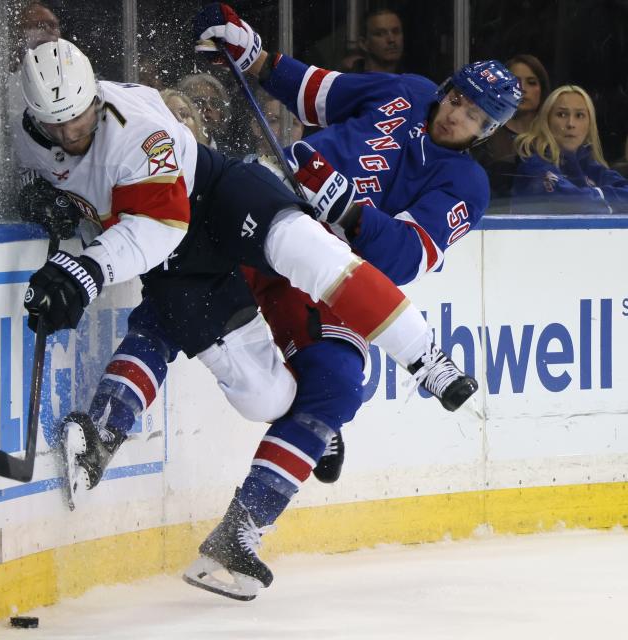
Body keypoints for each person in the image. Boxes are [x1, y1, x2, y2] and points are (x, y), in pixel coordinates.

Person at [13, 38, 479, 523]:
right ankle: (283, 414)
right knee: (264, 398)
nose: (70, 131)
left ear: (95, 95)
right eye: (55, 123)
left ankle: (426, 359)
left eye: (80, 116)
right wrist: (43, 197)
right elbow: (64, 178)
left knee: (312, 251)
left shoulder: (136, 129)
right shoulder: (30, 135)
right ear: (34, 116)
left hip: (215, 198)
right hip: (183, 252)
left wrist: (87, 270)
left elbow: (159, 227)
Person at [178, 3, 521, 600]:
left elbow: (405, 259)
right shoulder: (405, 91)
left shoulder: (468, 186)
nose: (456, 114)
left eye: (474, 114)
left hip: (337, 276)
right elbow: (315, 92)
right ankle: (107, 421)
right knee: (176, 283)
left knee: (336, 385)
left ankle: (241, 529)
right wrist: (253, 54)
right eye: (458, 98)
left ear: (488, 131)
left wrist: (350, 210)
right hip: (269, 209)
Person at [512, 85, 628, 213]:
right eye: (562, 114)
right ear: (547, 120)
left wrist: (596, 199)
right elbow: (574, 204)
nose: (571, 124)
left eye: (579, 115)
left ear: (590, 124)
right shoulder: (533, 166)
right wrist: (607, 199)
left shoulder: (590, 166)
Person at [473, 54, 550, 197]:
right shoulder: (483, 136)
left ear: (542, 89)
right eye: (515, 82)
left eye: (531, 82)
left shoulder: (553, 138)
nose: (523, 89)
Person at [177, 72, 232, 150]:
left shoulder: (229, 154)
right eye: (198, 102)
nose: (208, 107)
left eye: (215, 103)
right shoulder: (175, 148)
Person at [351, 8, 405, 74]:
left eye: (396, 32)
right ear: (363, 44)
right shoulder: (348, 80)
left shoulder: (411, 81)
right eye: (380, 34)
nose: (391, 39)